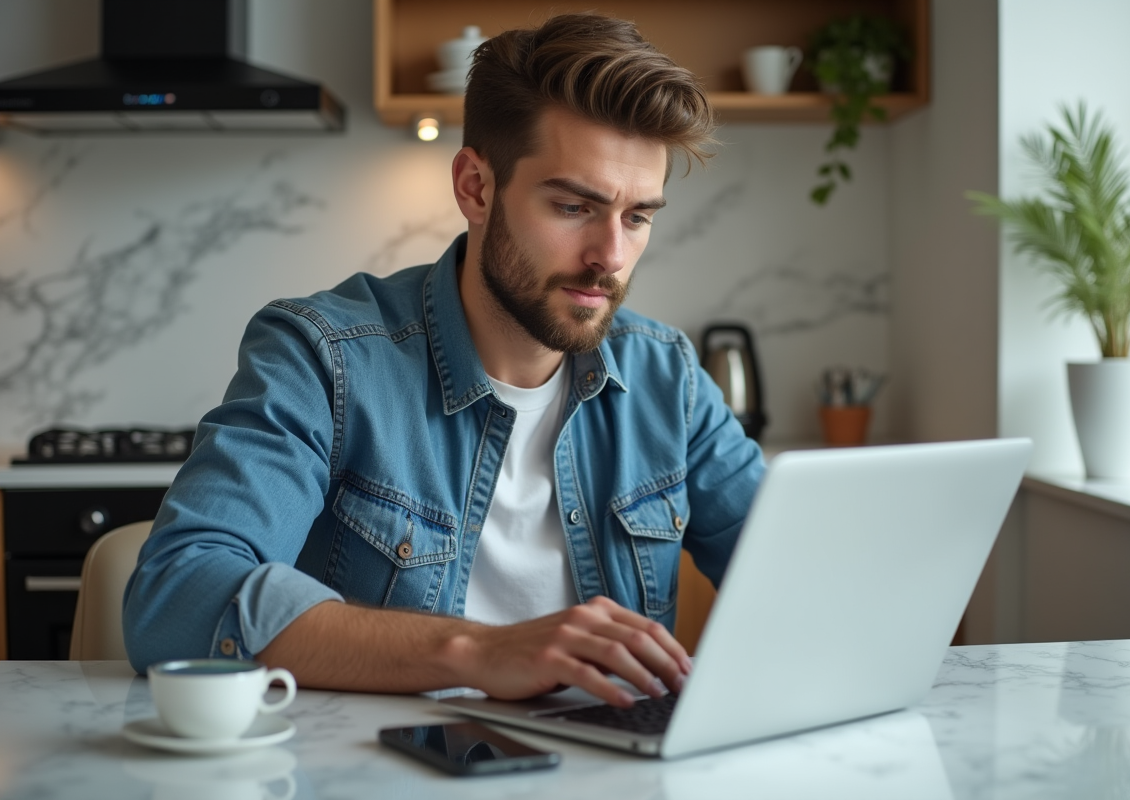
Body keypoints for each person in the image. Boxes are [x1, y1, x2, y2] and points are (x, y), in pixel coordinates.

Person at [123, 13, 764, 709]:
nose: (610, 255)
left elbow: (813, 578)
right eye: (575, 206)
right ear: (476, 188)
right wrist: (477, 651)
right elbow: (174, 597)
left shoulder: (667, 379)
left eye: (637, 216)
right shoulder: (325, 358)